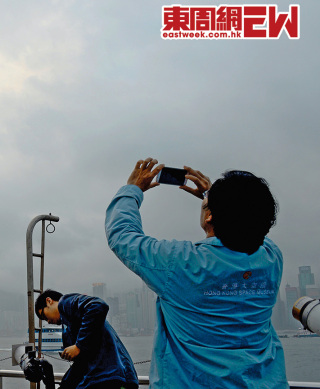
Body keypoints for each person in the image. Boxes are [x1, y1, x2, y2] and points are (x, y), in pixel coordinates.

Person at [105, 158, 287, 388]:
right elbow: (251, 224)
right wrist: (211, 196)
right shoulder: (271, 258)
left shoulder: (180, 264)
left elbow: (122, 236)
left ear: (209, 216)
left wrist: (132, 190)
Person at [35, 290, 138, 389]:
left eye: (44, 316)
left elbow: (98, 305)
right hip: (106, 377)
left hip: (111, 376)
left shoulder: (65, 303)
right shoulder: (68, 324)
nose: (47, 321)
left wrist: (79, 346)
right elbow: (82, 363)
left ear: (49, 301)